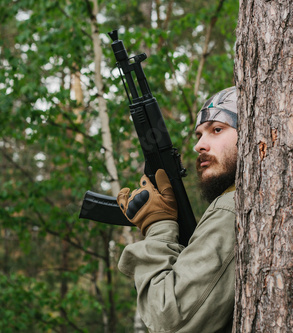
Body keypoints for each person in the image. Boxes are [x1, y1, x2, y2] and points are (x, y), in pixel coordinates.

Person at [117, 86, 238, 333]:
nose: (200, 145)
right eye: (199, 135)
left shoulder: (232, 209)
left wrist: (159, 228)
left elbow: (168, 319)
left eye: (217, 130)